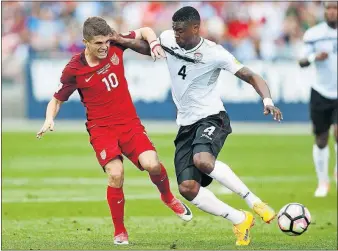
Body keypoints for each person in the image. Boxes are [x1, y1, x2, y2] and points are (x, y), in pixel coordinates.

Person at [36, 16, 192, 245]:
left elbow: (146, 30)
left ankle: (168, 197)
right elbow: (56, 99)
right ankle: (120, 231)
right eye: (98, 43)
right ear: (85, 42)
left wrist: (155, 43)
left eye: (106, 42)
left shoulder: (116, 43)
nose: (104, 47)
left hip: (129, 123)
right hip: (101, 130)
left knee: (152, 164)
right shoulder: (74, 69)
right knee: (116, 174)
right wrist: (49, 119)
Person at [155, 6, 283, 246]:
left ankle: (254, 201)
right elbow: (146, 45)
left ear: (195, 28)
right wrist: (119, 40)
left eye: (180, 30)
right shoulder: (168, 39)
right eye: (174, 29)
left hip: (212, 117)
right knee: (187, 188)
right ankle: (239, 219)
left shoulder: (215, 53)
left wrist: (267, 100)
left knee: (203, 160)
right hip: (185, 124)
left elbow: (251, 75)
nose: (176, 35)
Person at [298, 1, 337, 197]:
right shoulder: (314, 34)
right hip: (321, 91)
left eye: (335, 8)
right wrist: (314, 57)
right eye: (328, 8)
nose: (331, 12)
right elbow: (301, 61)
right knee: (321, 138)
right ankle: (323, 182)